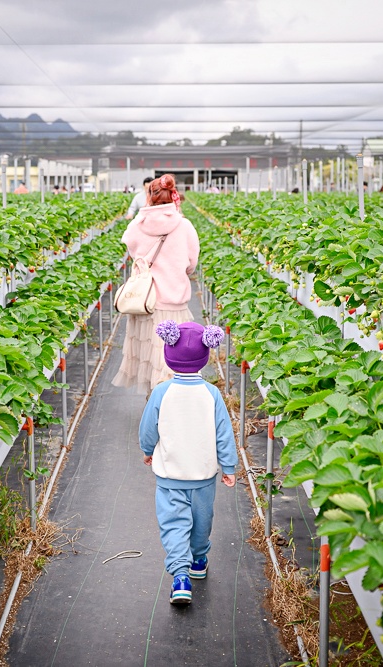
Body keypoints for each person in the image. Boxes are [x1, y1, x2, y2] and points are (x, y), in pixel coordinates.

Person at [140, 320, 237, 605]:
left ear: (168, 355)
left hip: (170, 476)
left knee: (173, 524)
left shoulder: (161, 392)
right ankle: (197, 561)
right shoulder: (212, 394)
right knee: (201, 523)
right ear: (205, 357)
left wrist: (147, 449)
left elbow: (149, 427)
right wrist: (228, 466)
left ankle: (180, 577)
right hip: (203, 476)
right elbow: (224, 433)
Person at [113, 174, 199, 393]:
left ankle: (153, 407)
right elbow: (191, 264)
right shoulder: (184, 226)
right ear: (173, 196)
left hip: (145, 303)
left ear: (149, 196)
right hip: (174, 302)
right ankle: (170, 409)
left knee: (150, 360)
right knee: (171, 361)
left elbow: (132, 252)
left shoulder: (138, 225)